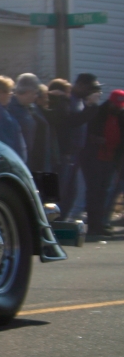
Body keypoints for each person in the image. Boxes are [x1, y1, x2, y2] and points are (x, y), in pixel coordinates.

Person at [54, 73, 102, 219]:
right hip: (66, 152)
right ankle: (56, 222)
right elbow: (72, 121)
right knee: (62, 191)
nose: (92, 91)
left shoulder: (80, 101)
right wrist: (91, 107)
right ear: (80, 85)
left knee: (72, 192)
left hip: (77, 152)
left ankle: (62, 222)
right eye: (90, 88)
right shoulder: (68, 100)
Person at [82, 90, 124, 238]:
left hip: (111, 160)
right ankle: (93, 225)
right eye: (116, 104)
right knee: (94, 192)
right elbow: (87, 134)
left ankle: (100, 225)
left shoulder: (120, 116)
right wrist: (96, 140)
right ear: (110, 101)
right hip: (95, 159)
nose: (118, 107)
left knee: (104, 193)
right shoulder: (98, 113)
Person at [7, 73, 45, 172]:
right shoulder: (10, 107)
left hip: (31, 159)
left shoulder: (30, 107)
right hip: (18, 160)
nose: (36, 96)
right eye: (35, 93)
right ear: (28, 92)